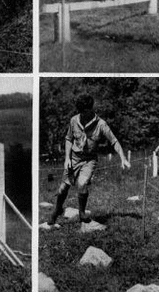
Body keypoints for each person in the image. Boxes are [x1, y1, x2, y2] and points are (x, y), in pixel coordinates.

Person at [48, 94, 131, 225]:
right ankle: (57, 209)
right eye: (80, 111)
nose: (82, 114)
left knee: (82, 184)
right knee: (63, 189)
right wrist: (67, 159)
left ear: (91, 109)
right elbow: (68, 139)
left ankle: (82, 213)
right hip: (74, 158)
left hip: (89, 160)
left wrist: (123, 158)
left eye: (85, 111)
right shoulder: (74, 120)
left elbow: (114, 141)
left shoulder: (101, 124)